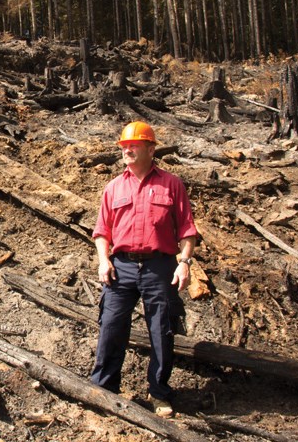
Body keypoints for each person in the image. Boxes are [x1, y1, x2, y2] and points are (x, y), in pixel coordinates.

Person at [90, 121, 198, 418]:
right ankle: (103, 388)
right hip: (121, 266)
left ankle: (160, 393)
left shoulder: (172, 184)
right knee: (111, 326)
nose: (127, 149)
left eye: (134, 145)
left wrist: (184, 263)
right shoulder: (113, 187)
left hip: (159, 266)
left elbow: (188, 230)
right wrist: (104, 260)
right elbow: (102, 231)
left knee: (161, 331)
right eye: (124, 146)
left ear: (151, 149)